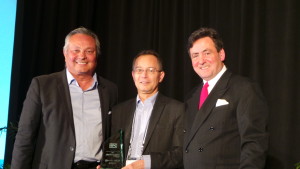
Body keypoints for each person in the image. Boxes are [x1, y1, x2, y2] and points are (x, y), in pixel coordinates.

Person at [11, 27, 118, 169]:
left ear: (96, 55)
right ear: (65, 53)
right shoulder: (42, 86)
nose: (82, 56)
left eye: (89, 51)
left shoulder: (110, 90)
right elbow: (25, 138)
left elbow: (113, 138)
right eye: (76, 50)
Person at [183, 28, 269, 169]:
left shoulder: (244, 88)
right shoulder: (191, 97)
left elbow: (254, 143)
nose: (201, 61)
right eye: (195, 55)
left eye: (207, 53)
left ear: (221, 54)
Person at [109, 50, 184, 169]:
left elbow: (181, 154)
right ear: (133, 75)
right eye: (139, 70)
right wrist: (108, 165)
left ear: (161, 76)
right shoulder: (119, 111)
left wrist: (147, 163)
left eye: (151, 70)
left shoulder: (176, 110)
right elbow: (114, 149)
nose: (144, 75)